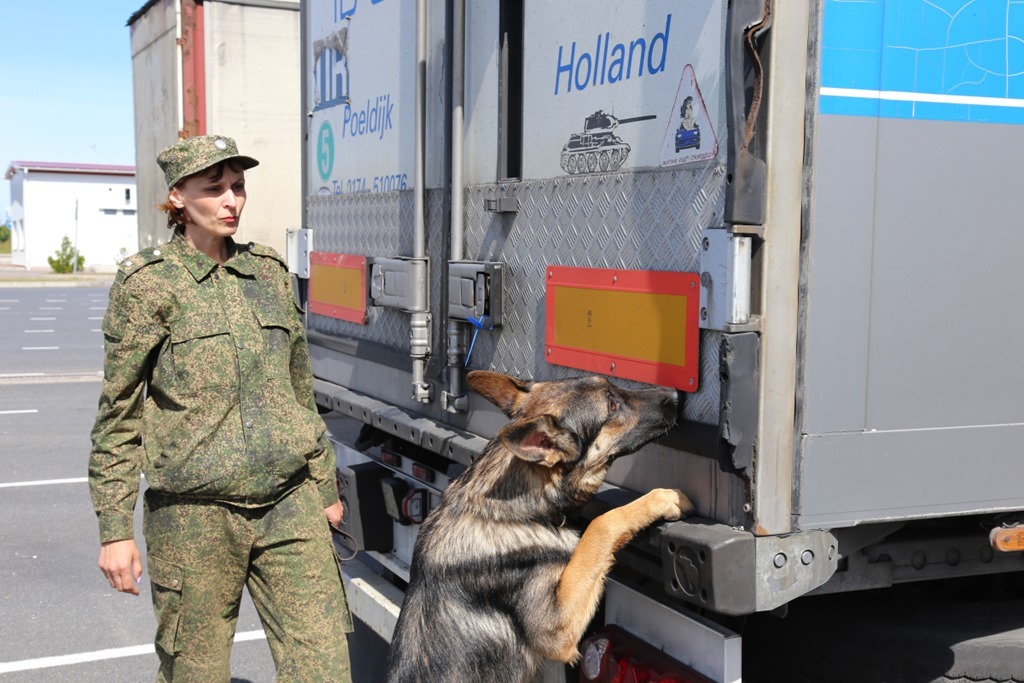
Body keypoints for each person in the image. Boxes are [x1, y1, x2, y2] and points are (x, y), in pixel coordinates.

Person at [88, 135, 353, 682]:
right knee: (195, 673)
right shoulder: (148, 284)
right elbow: (119, 413)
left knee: (324, 669)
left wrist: (324, 485)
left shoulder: (269, 273)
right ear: (179, 197)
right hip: (193, 518)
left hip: (289, 504)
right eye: (215, 189)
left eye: (238, 187)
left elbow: (299, 388)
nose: (231, 200)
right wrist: (115, 529)